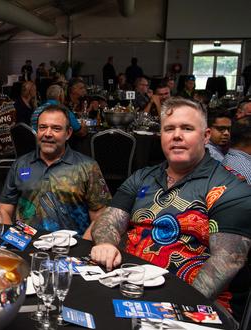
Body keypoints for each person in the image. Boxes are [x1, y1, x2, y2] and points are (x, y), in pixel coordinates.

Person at [90, 97, 251, 317]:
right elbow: (110, 219)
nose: (177, 135)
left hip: (194, 305)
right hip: (128, 288)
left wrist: (173, 309)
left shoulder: (230, 186)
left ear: (205, 137)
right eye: (169, 129)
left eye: (187, 128)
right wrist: (107, 243)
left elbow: (227, 261)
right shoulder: (141, 177)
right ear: (161, 136)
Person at [0, 104, 111, 238]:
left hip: (70, 250)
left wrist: (83, 249)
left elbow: (100, 216)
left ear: (68, 133)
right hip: (26, 244)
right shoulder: (21, 164)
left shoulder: (87, 166)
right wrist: (12, 239)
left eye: (56, 129)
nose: (48, 134)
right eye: (42, 127)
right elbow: (4, 209)